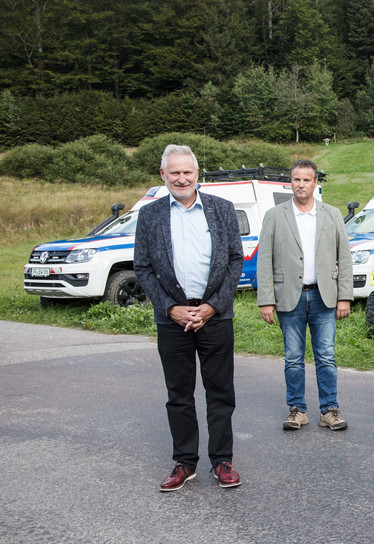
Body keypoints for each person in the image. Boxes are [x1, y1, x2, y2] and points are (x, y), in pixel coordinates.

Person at [134, 144, 244, 491]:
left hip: (216, 314)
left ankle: (222, 460)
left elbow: (235, 261)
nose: (181, 178)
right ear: (162, 175)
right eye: (174, 172)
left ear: (198, 174)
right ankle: (184, 463)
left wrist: (212, 305)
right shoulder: (149, 215)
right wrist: (170, 308)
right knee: (178, 394)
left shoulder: (222, 209)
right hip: (172, 318)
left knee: (220, 391)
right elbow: (143, 267)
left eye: (187, 172)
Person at [257, 159, 353, 432]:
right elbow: (265, 259)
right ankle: (297, 409)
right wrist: (266, 300)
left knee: (326, 356)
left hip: (324, 297)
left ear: (315, 183)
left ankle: (329, 410)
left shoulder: (331, 214)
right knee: (293, 358)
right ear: (291, 182)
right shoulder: (275, 216)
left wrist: (344, 296)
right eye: (296, 180)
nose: (301, 185)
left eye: (307, 180)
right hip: (290, 297)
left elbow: (344, 258)